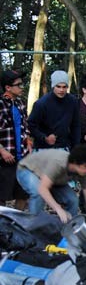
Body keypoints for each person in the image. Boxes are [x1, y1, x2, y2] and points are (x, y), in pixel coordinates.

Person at [16, 144, 86, 223]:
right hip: (28, 170)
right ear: (75, 163)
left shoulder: (83, 172)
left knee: (72, 200)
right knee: (38, 193)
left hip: (52, 179)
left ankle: (69, 229)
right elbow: (42, 188)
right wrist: (58, 209)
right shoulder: (59, 163)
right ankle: (32, 226)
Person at [0, 70, 32, 210]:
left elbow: (25, 127)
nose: (21, 87)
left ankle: (16, 225)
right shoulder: (1, 104)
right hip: (5, 159)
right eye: (18, 85)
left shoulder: (20, 103)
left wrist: (28, 143)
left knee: (23, 194)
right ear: (8, 87)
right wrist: (2, 151)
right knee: (2, 195)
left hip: (22, 158)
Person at [28, 70, 81, 151]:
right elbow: (31, 125)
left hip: (64, 147)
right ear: (53, 86)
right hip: (43, 148)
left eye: (64, 87)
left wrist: (75, 147)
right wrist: (44, 138)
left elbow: (76, 125)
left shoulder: (73, 101)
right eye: (58, 86)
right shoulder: (41, 103)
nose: (61, 90)